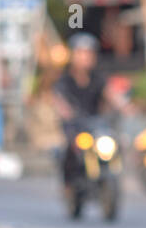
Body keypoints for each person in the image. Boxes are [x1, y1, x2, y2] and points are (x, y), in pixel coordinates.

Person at [49, 33, 130, 193]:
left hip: (96, 124)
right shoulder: (64, 80)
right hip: (75, 126)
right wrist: (66, 112)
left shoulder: (98, 78)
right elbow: (58, 100)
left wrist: (125, 106)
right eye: (81, 53)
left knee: (114, 142)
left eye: (89, 53)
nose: (85, 57)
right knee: (71, 151)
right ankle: (69, 185)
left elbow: (111, 94)